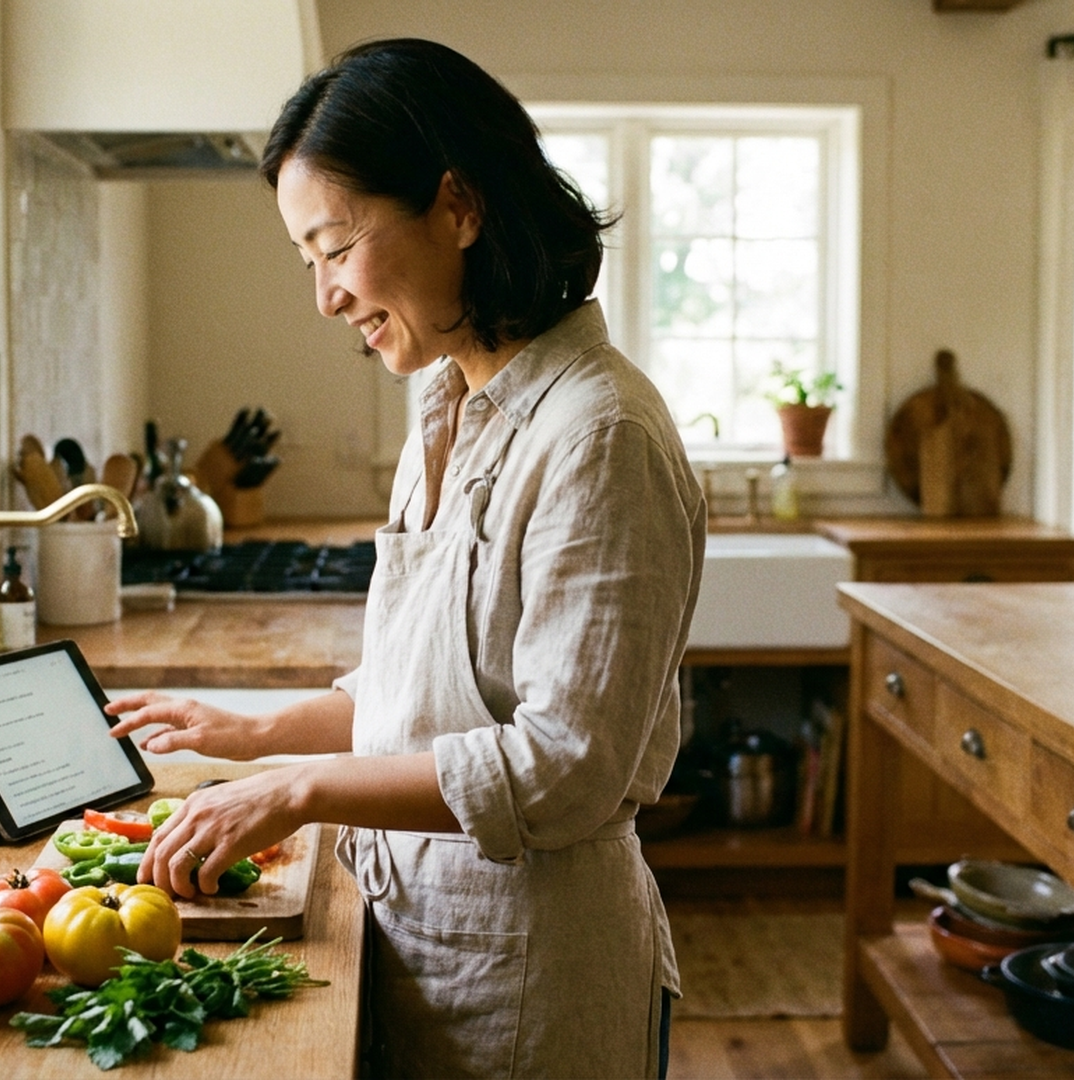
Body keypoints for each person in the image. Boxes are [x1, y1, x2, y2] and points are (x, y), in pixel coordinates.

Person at [105, 37, 705, 1080]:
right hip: (422, 945)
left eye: (336, 249)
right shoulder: (446, 400)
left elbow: (566, 765)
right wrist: (253, 734)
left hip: (532, 986)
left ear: (459, 208)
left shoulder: (598, 433)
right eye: (310, 263)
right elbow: (426, 701)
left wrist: (297, 790)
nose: (326, 297)